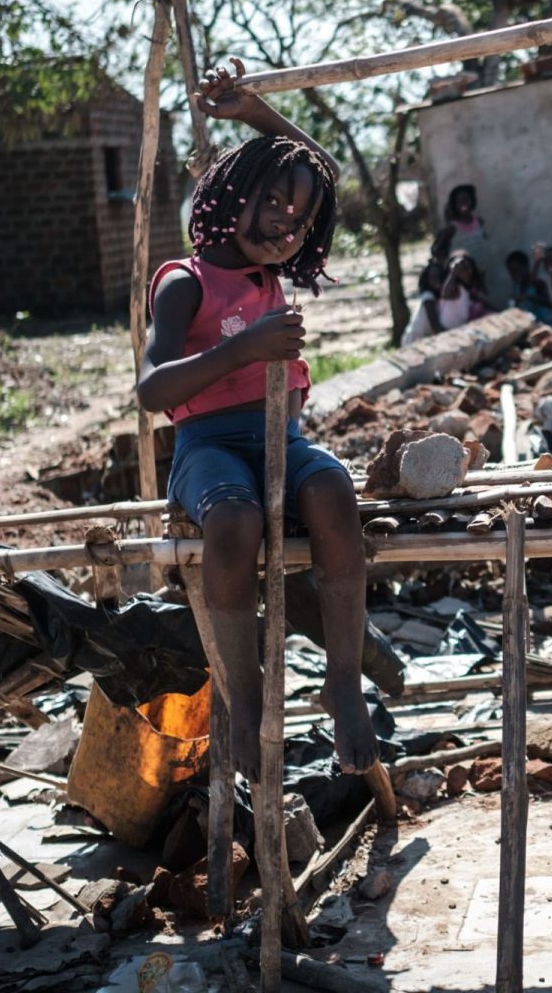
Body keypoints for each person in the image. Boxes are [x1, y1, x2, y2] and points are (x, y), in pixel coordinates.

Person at [137, 58, 377, 780]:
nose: (287, 223)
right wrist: (244, 347)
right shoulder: (184, 282)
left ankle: (343, 678)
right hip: (208, 450)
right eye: (274, 203)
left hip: (286, 441)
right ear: (236, 193)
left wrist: (252, 112)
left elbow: (321, 169)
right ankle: (245, 697)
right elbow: (153, 390)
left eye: (299, 218)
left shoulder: (270, 273)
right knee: (235, 523)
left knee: (334, 494)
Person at [435, 250, 490, 330]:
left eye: (468, 267)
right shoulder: (456, 288)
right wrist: (453, 272)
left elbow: (484, 302)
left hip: (460, 329)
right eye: (462, 269)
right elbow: (445, 294)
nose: (467, 271)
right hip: (448, 331)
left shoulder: (470, 288)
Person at [442, 185, 486, 257]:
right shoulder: (452, 228)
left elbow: (483, 241)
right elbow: (438, 249)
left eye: (466, 199)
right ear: (454, 204)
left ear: (472, 201)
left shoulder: (479, 222)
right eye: (459, 201)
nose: (463, 203)